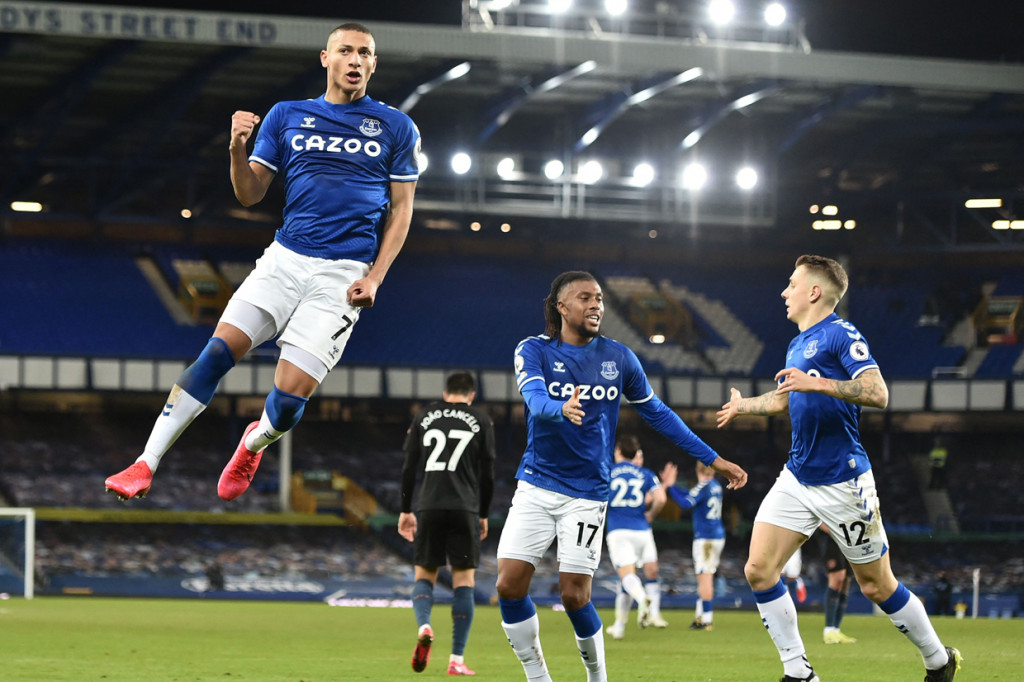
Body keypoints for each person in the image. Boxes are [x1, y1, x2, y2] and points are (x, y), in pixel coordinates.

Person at [105, 23, 420, 502]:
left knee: (290, 403)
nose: (355, 60)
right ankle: (144, 463)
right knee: (215, 354)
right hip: (285, 261)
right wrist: (236, 148)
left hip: (342, 275)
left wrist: (375, 277)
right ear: (325, 58)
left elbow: (402, 212)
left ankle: (253, 442)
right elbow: (249, 194)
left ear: (374, 64)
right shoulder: (287, 115)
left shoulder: (396, 126)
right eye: (346, 51)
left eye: (365, 54)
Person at [716, 254, 961, 682]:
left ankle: (939, 661)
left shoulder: (841, 334)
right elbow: (782, 399)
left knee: (875, 585)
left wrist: (820, 382)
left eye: (792, 284)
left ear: (814, 291)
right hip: (798, 476)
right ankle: (800, 672)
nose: (784, 291)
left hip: (843, 480)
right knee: (758, 569)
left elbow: (878, 392)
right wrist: (743, 406)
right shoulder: (798, 341)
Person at [496, 271, 747, 682]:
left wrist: (713, 458)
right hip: (537, 484)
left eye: (599, 298)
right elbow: (535, 399)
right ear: (561, 306)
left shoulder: (619, 358)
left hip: (588, 493)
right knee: (508, 586)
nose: (596, 305)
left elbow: (660, 415)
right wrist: (559, 409)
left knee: (575, 596)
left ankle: (598, 678)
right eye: (585, 298)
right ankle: (538, 677)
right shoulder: (533, 350)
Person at [398, 371, 496, 676]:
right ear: (471, 395)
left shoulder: (424, 416)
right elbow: (488, 474)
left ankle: (425, 625)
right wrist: (482, 513)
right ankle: (456, 659)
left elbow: (409, 467)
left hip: (429, 505)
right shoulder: (481, 419)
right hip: (464, 508)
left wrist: (405, 509)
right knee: (463, 582)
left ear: (445, 392)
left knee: (424, 575)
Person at [604, 434, 668, 639]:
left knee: (626, 576)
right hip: (642, 531)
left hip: (619, 529)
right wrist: (651, 514)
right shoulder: (645, 474)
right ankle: (619, 628)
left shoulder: (608, 471)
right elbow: (661, 498)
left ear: (619, 452)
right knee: (628, 581)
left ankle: (643, 599)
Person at [660, 459, 726, 631]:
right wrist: (674, 487)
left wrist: (671, 486)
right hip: (717, 536)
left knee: (705, 578)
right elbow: (692, 495)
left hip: (706, 538)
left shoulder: (703, 485)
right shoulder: (715, 485)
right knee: (707, 576)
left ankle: (706, 620)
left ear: (698, 469)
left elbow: (686, 503)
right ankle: (700, 617)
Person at [820, 524, 856, 644]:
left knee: (846, 582)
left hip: (849, 542)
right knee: (837, 580)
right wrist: (834, 531)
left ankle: (836, 629)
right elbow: (818, 519)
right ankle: (828, 630)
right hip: (833, 542)